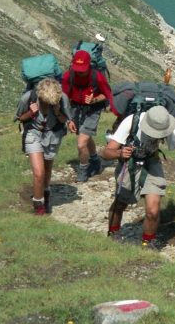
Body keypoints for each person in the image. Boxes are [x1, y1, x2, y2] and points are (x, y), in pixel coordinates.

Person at [102, 105, 175, 249]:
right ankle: (113, 233)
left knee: (153, 211)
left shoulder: (167, 122)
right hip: (130, 163)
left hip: (152, 162)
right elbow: (105, 152)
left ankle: (147, 243)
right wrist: (119, 153)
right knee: (121, 203)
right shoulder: (131, 121)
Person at [15, 78, 71, 215]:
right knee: (39, 172)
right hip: (33, 134)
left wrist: (58, 112)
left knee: (47, 168)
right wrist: (30, 113)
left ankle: (46, 192)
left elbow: (66, 119)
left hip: (53, 135)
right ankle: (39, 206)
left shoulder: (63, 98)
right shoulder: (28, 98)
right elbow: (20, 118)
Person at [62, 50, 114, 182]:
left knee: (81, 143)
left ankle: (83, 170)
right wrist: (68, 119)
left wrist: (94, 100)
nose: (79, 72)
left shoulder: (97, 77)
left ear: (88, 66)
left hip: (93, 109)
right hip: (76, 108)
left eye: (82, 70)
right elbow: (64, 98)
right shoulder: (69, 76)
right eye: (77, 69)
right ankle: (95, 160)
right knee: (85, 136)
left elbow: (107, 94)